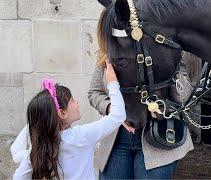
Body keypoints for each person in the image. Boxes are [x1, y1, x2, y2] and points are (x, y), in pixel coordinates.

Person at [87, 8, 194, 179]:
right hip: (116, 140)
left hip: (157, 138)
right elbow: (94, 93)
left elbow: (183, 95)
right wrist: (111, 110)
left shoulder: (163, 50)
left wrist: (172, 70)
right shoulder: (109, 54)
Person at [11, 61, 126, 180]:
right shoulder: (80, 136)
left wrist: (25, 156)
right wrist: (112, 82)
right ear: (62, 113)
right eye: (72, 101)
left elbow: (18, 177)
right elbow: (117, 116)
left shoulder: (38, 150)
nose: (77, 103)